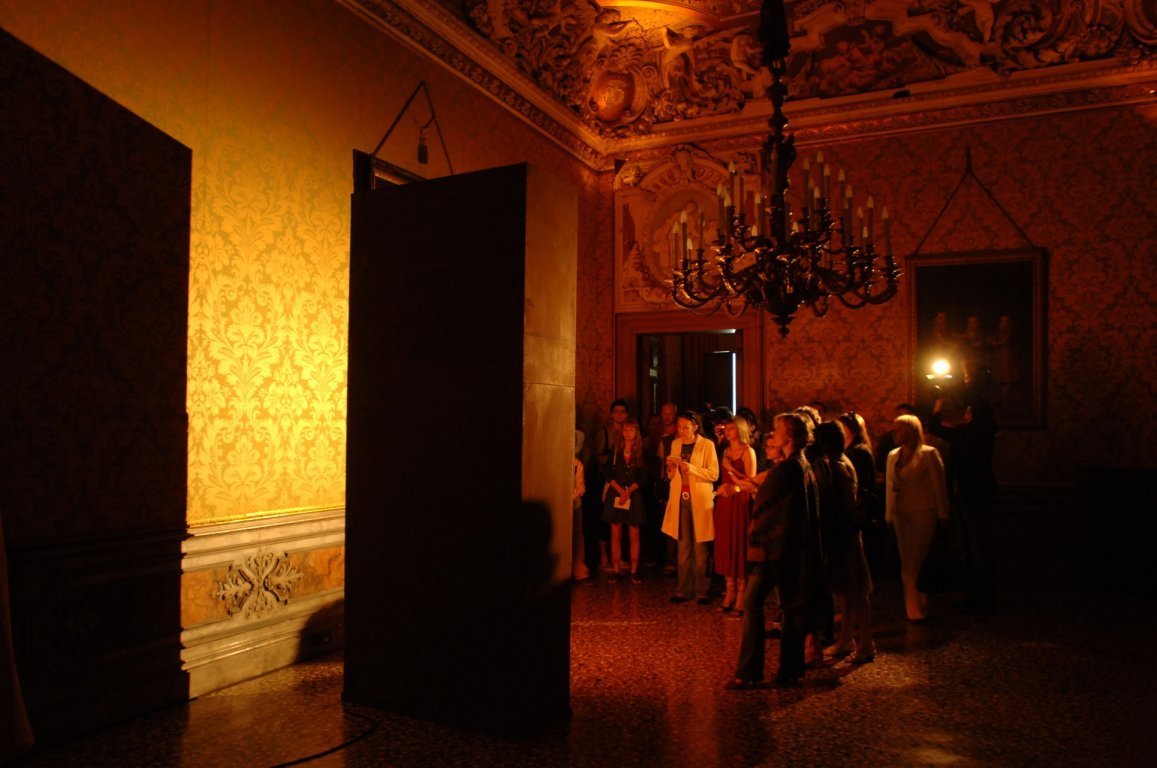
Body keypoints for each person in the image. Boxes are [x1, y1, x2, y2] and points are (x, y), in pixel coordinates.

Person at [727, 413, 823, 690]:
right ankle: (790, 670)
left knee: (752, 602)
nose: (772, 434)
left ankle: (749, 673)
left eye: (777, 431)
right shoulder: (799, 465)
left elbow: (769, 505)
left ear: (789, 437)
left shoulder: (789, 469)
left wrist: (755, 495)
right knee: (790, 605)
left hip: (775, 548)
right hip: (791, 546)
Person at [929, 398, 999, 613]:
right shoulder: (982, 432)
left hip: (971, 493)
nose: (965, 413)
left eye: (968, 410)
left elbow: (935, 427)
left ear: (975, 413)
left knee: (974, 546)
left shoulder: (970, 432)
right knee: (973, 546)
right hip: (971, 492)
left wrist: (939, 403)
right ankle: (977, 595)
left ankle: (980, 597)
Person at [814, 422, 875, 663]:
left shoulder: (838, 466)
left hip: (845, 533)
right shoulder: (838, 461)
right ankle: (846, 639)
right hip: (842, 532)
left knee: (856, 590)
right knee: (845, 590)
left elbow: (848, 504)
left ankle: (866, 644)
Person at [885, 414, 950, 622]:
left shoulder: (929, 454)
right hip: (901, 513)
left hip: (923, 511)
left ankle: (918, 608)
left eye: (899, 429)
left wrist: (943, 515)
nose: (895, 432)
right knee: (906, 563)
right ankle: (913, 607)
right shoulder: (893, 455)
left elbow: (939, 486)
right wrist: (888, 514)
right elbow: (890, 487)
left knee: (917, 561)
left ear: (911, 430)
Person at [661, 411, 719, 604]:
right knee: (683, 545)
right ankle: (683, 589)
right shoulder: (676, 444)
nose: (682, 431)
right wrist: (671, 468)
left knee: (700, 546)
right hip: (680, 498)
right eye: (679, 427)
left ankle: (702, 589)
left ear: (695, 427)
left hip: (699, 499)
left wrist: (690, 468)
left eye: (685, 427)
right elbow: (672, 475)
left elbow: (714, 474)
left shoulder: (707, 445)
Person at [713, 417, 757, 616]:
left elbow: (751, 482)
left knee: (739, 545)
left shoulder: (748, 452)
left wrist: (732, 475)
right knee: (727, 546)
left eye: (732, 428)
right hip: (726, 503)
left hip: (740, 502)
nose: (728, 431)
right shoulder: (726, 451)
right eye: (726, 428)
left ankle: (741, 596)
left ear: (740, 430)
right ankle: (729, 592)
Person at [839, 411, 886, 581]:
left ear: (851, 429)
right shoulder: (849, 450)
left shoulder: (859, 452)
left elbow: (858, 483)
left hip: (860, 508)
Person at [602, 418, 648, 584]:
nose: (628, 433)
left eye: (631, 430)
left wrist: (628, 491)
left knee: (634, 534)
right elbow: (607, 472)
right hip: (616, 493)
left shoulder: (641, 452)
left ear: (636, 433)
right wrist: (621, 491)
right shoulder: (616, 449)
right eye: (625, 429)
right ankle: (616, 570)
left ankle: (634, 570)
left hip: (633, 495)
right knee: (615, 533)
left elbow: (643, 477)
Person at [594, 399, 631, 572]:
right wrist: (613, 462)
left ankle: (618, 556)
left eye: (622, 411)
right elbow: (597, 457)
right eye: (616, 411)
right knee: (605, 519)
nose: (619, 415)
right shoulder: (604, 433)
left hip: (623, 482)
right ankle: (603, 557)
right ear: (611, 414)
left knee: (620, 520)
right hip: (606, 481)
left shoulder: (629, 432)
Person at [571, 430, 592, 584]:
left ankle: (578, 569)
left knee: (577, 536)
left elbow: (581, 488)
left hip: (574, 506)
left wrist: (572, 494)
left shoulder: (577, 465)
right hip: (561, 507)